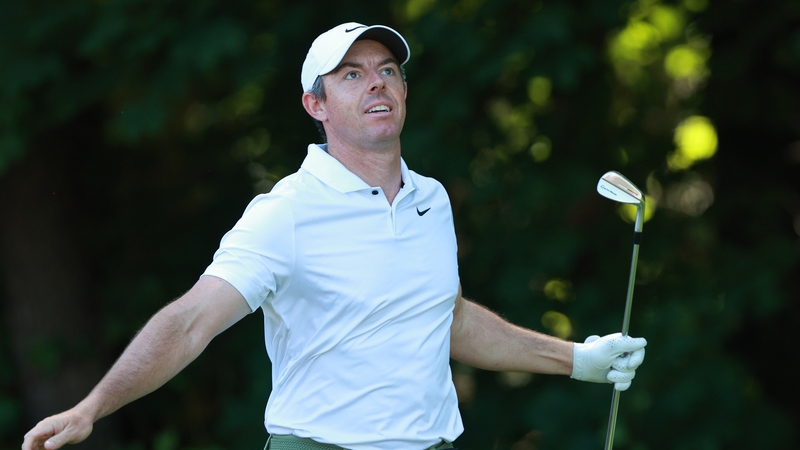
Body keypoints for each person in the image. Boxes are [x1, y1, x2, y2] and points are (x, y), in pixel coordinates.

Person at [21, 22, 647, 450]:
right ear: (315, 106)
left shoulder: (431, 199)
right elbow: (190, 322)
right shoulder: (286, 212)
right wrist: (91, 408)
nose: (376, 81)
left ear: (403, 90)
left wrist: (577, 360)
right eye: (350, 75)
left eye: (387, 70)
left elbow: (442, 318)